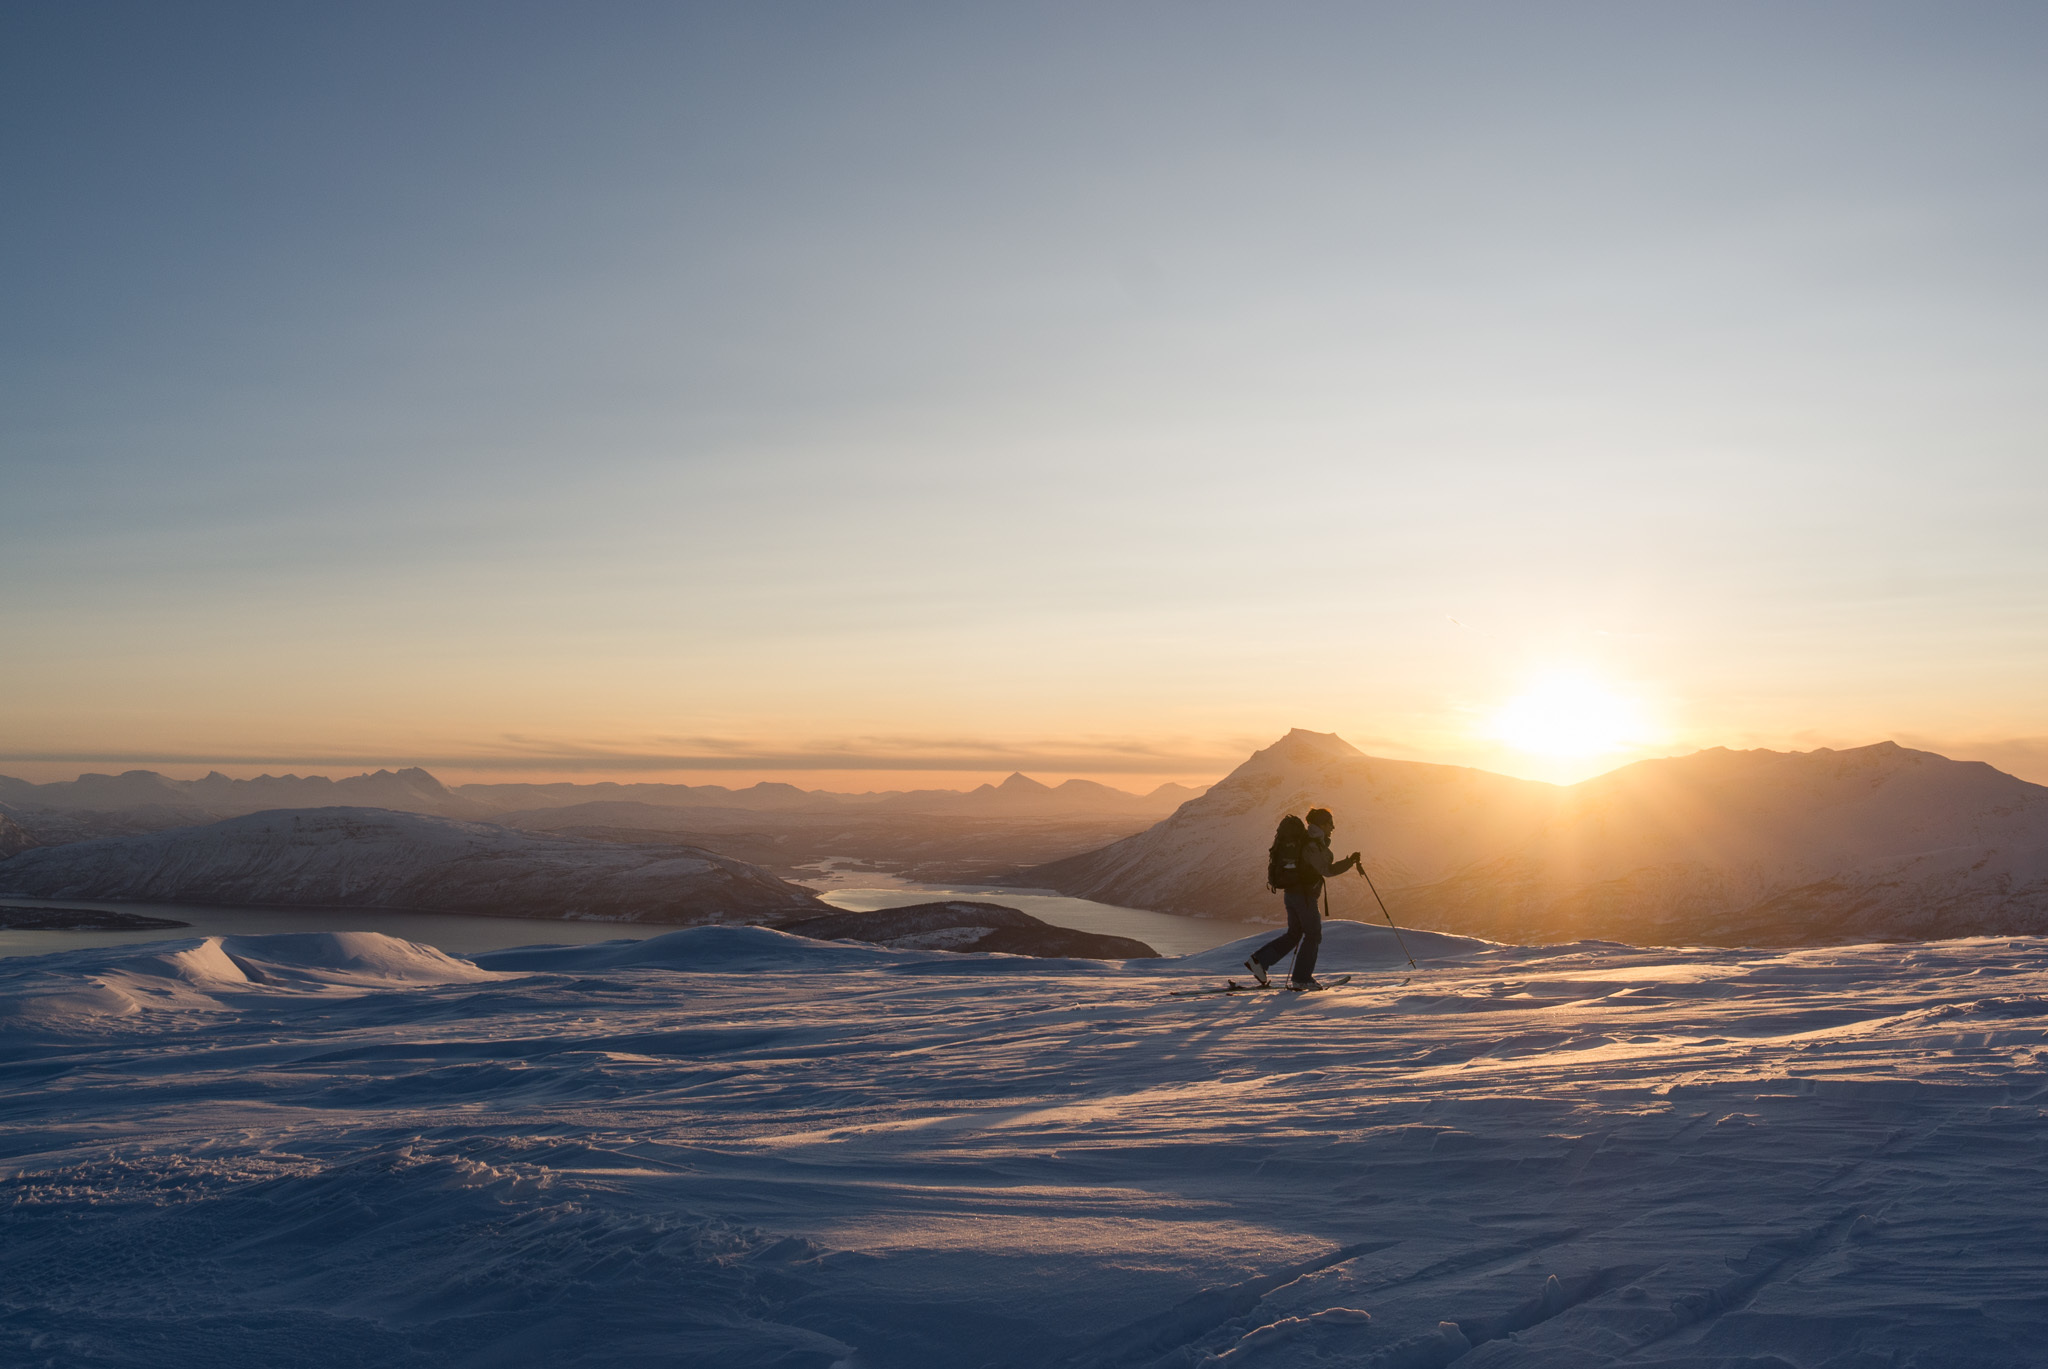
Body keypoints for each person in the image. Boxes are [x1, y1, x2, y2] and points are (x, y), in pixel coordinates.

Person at [1245, 806, 1361, 989]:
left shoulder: (1309, 842)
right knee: (1313, 934)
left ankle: (1259, 961)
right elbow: (1327, 870)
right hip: (1304, 897)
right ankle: (1302, 978)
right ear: (1322, 824)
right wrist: (1349, 862)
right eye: (1330, 823)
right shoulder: (1312, 845)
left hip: (1292, 894)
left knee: (1295, 934)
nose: (1333, 827)